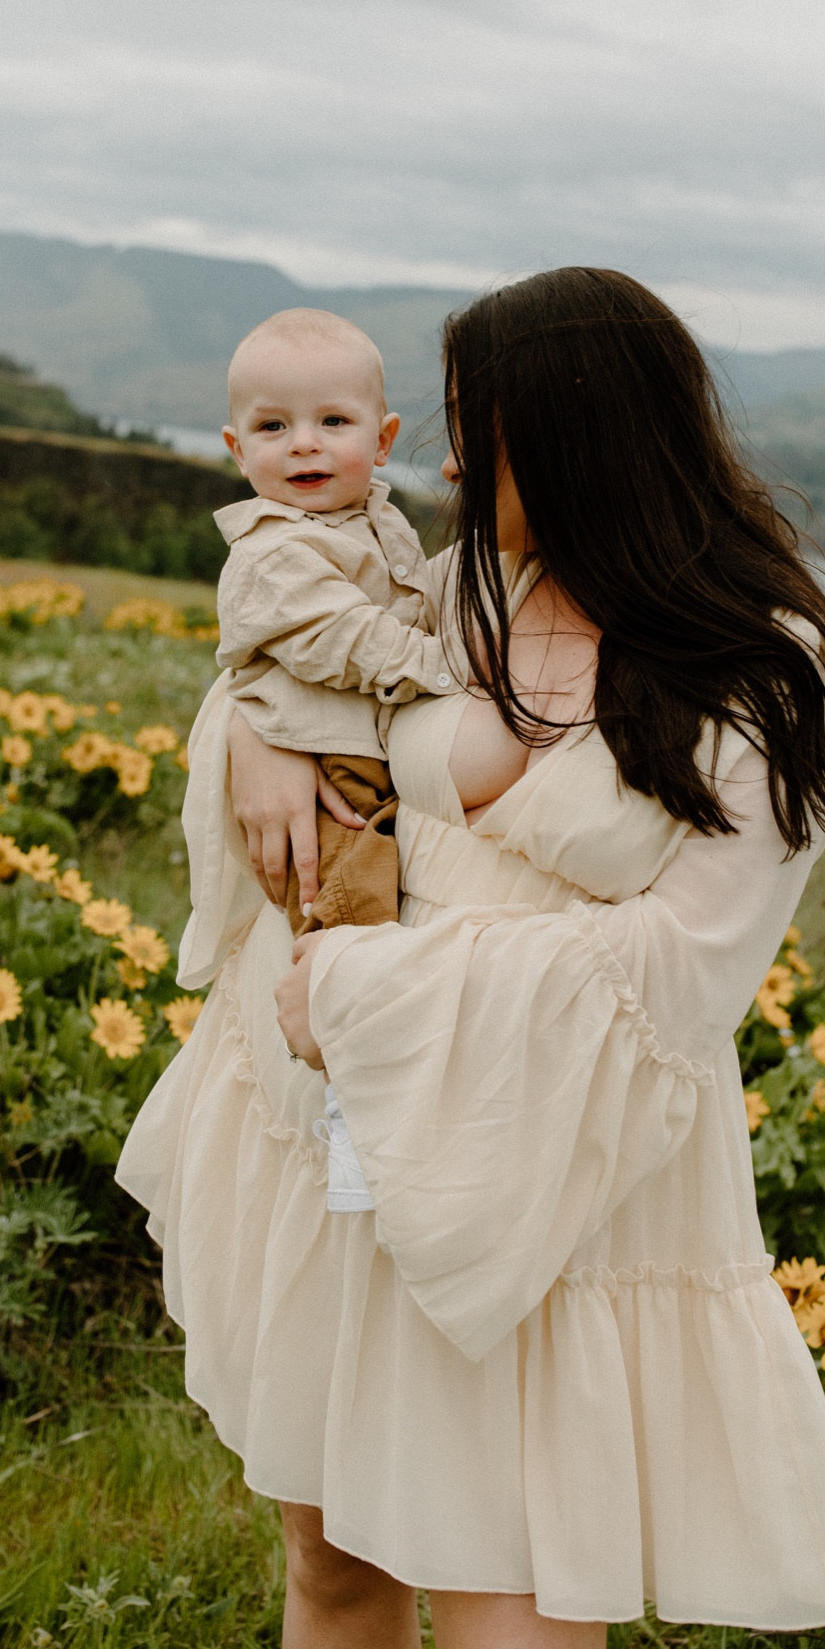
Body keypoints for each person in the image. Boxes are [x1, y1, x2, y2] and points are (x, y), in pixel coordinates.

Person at [116, 267, 825, 1649]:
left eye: (474, 437)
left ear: (572, 441)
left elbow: (682, 965)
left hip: (556, 1158)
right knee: (334, 1565)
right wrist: (249, 734)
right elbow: (300, 662)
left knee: (516, 1608)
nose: (441, 464)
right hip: (345, 1136)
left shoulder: (766, 667)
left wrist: (365, 995)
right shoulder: (475, 584)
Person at [209, 306, 457, 1207]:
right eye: (274, 428)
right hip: (332, 773)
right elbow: (343, 640)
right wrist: (443, 670)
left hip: (360, 753)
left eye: (333, 423)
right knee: (350, 922)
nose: (304, 446)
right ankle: (356, 1122)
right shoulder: (277, 550)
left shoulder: (373, 525)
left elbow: (410, 597)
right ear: (239, 449)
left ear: (383, 438)